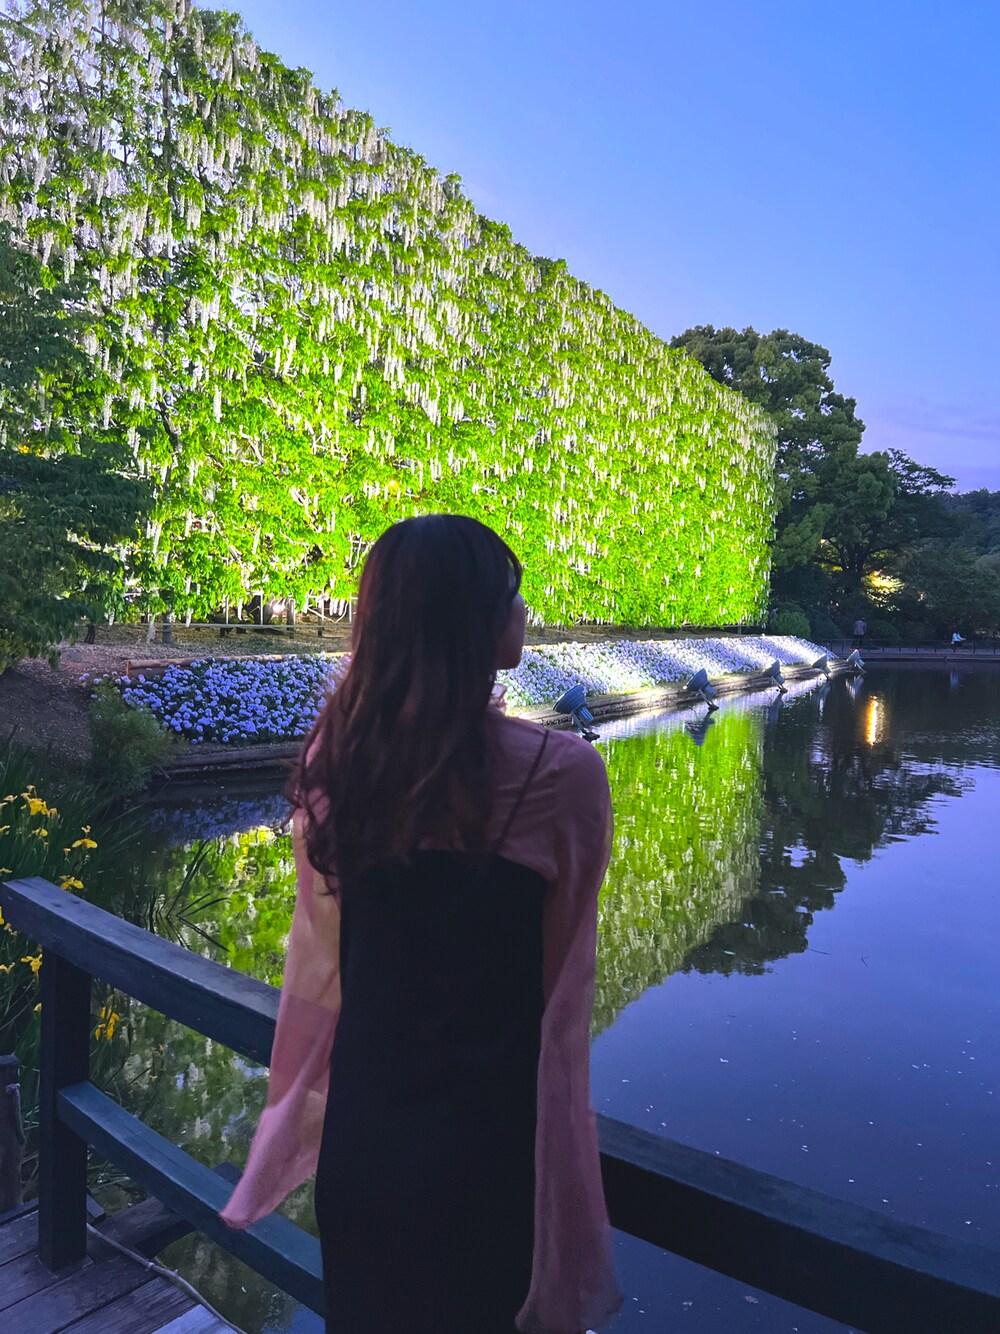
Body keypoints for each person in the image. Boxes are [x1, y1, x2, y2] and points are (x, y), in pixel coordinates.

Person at [220, 514, 622, 1334]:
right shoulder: (563, 775)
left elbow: (324, 962)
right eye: (510, 596)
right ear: (472, 620)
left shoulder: (337, 768)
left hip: (364, 1139)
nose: (524, 611)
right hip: (488, 1153)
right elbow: (563, 993)